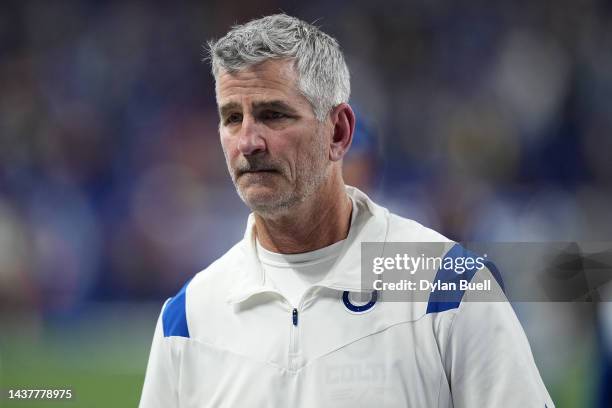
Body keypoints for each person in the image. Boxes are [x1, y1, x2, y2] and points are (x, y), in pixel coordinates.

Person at [139, 14, 554, 407]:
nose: (248, 141)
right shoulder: (188, 318)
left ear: (338, 132)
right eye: (232, 117)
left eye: (273, 115)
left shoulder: (446, 285)